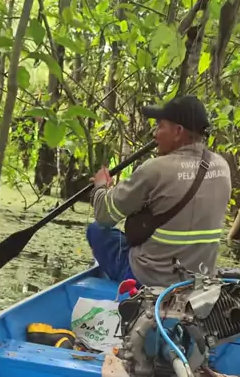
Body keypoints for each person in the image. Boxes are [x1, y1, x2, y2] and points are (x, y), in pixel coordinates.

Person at [87, 95, 231, 288]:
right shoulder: (222, 166)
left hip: (148, 278)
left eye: (160, 126)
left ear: (178, 131)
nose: (155, 134)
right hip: (199, 281)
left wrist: (101, 186)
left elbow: (105, 215)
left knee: (96, 230)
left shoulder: (155, 169)